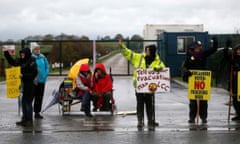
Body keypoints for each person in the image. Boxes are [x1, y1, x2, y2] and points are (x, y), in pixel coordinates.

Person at [119, 39, 165, 130]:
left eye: (147, 50)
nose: (146, 51)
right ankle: (140, 121)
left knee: (149, 104)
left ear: (152, 51)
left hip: (150, 88)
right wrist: (122, 46)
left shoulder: (157, 60)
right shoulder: (139, 57)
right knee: (140, 104)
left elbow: (162, 67)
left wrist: (157, 68)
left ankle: (150, 120)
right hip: (139, 86)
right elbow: (129, 54)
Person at [184, 38, 218, 124]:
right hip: (193, 81)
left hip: (203, 80)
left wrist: (215, 42)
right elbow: (185, 67)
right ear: (194, 47)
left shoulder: (203, 54)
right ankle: (192, 117)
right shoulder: (189, 56)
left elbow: (213, 50)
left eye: (200, 47)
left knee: (203, 101)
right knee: (193, 101)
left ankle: (203, 117)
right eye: (198, 47)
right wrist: (186, 72)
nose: (199, 48)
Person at [3, 47, 38, 126]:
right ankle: (24, 119)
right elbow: (12, 61)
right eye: (21, 54)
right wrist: (6, 53)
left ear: (27, 54)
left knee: (28, 103)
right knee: (23, 102)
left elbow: (33, 74)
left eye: (23, 54)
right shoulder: (20, 61)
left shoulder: (32, 61)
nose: (22, 55)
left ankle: (29, 120)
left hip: (30, 85)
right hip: (23, 85)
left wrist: (23, 76)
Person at [31, 42, 49, 119]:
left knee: (39, 97)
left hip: (42, 80)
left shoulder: (43, 57)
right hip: (34, 81)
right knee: (31, 97)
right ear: (32, 50)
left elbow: (47, 66)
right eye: (36, 49)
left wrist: (46, 74)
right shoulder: (31, 58)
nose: (38, 50)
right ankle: (28, 112)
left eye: (38, 49)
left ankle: (37, 112)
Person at [224, 42, 240, 121]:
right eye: (238, 50)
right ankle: (238, 113)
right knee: (235, 99)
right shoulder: (234, 58)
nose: (239, 51)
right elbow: (227, 58)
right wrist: (225, 50)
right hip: (235, 82)